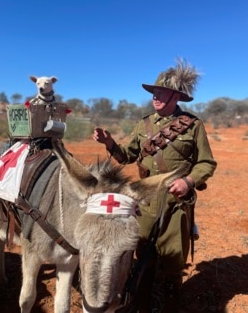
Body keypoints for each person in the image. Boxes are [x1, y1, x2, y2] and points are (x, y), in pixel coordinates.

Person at [93, 58, 217, 313]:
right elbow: (126, 155)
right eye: (154, 92)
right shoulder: (144, 124)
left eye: (161, 92)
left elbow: (206, 163)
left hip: (176, 201)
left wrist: (188, 181)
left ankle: (172, 296)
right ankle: (141, 297)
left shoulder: (192, 125)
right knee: (143, 252)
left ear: (176, 96)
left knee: (173, 255)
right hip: (146, 199)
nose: (155, 97)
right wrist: (109, 143)